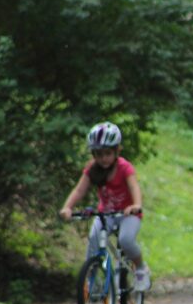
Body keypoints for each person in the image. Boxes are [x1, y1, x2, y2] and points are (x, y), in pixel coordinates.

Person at [59, 122, 152, 292]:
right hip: (106, 214)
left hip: (128, 214)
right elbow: (79, 190)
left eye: (108, 153)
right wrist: (68, 207)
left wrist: (136, 205)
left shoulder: (124, 167)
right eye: (98, 154)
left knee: (126, 240)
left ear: (117, 151)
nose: (103, 159)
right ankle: (92, 278)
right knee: (94, 237)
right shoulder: (92, 170)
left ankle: (140, 268)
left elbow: (134, 187)